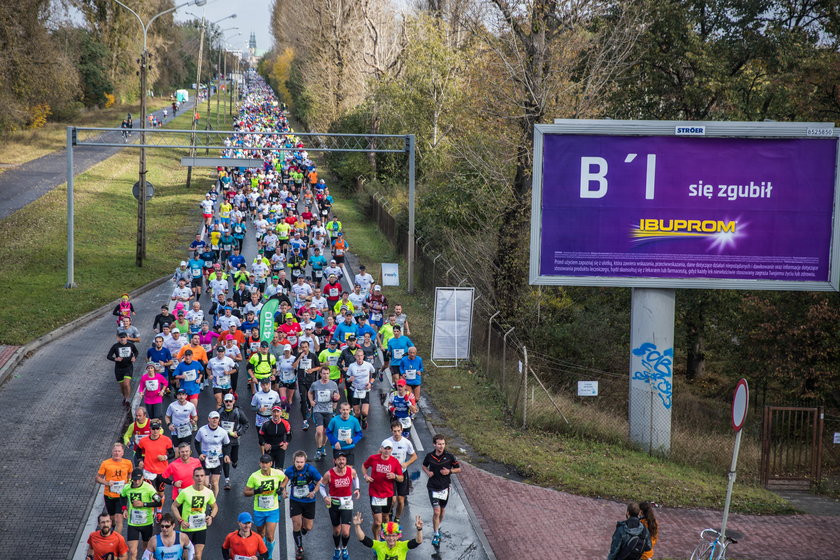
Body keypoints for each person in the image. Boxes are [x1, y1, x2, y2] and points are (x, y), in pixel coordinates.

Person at [243, 453, 288, 560]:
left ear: (271, 464)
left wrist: (281, 488)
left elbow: (286, 479)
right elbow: (245, 492)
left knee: (270, 536)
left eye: (266, 463)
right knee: (260, 534)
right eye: (262, 462)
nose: (264, 465)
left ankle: (268, 556)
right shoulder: (254, 476)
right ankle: (263, 550)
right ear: (260, 463)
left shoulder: (277, 473)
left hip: (273, 509)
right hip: (259, 509)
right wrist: (257, 491)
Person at [421, 433, 461, 547]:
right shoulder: (429, 456)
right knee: (436, 511)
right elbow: (424, 465)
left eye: (443, 444)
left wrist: (450, 471)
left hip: (444, 487)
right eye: (439, 444)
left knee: (442, 511)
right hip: (433, 487)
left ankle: (437, 525)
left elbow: (458, 469)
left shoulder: (449, 456)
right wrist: (428, 472)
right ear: (434, 444)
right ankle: (436, 533)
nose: (441, 446)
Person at [319, 451, 360, 560]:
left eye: (343, 459)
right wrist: (325, 497)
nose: (341, 461)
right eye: (339, 459)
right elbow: (322, 486)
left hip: (347, 503)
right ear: (335, 461)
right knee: (337, 531)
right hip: (334, 504)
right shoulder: (329, 474)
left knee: (346, 533)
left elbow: (356, 478)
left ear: (346, 461)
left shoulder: (351, 471)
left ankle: (345, 548)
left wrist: (357, 489)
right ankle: (337, 548)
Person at [171, 467, 218, 560]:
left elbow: (215, 507)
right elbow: (174, 506)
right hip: (187, 527)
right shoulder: (185, 492)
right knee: (186, 556)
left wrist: (211, 517)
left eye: (201, 476)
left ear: (205, 477)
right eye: (197, 476)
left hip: (200, 527)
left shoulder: (208, 492)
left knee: (198, 555)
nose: (199, 478)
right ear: (193, 477)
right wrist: (180, 520)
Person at [284, 451, 322, 560]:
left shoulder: (311, 470)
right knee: (296, 524)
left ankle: (303, 529)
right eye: (297, 462)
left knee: (308, 527)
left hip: (309, 501)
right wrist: (283, 491)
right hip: (295, 500)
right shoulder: (290, 470)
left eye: (301, 462)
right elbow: (284, 483)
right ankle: (299, 548)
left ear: (305, 461)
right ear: (294, 461)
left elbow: (320, 480)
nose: (299, 464)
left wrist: (314, 492)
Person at [362, 443, 404, 538]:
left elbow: (401, 478)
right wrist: (366, 476)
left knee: (385, 518)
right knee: (377, 522)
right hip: (375, 492)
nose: (387, 451)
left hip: (387, 493)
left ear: (391, 450)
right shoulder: (373, 458)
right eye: (385, 448)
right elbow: (364, 466)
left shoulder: (394, 461)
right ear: (381, 449)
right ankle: (376, 540)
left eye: (389, 449)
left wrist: (395, 476)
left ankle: (385, 537)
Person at [135, 419, 174, 518]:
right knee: (150, 494)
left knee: (160, 493)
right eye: (153, 429)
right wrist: (140, 460)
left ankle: (159, 511)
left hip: (161, 472)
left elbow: (172, 453)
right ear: (150, 429)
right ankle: (151, 512)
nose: (155, 431)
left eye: (157, 429)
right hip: (148, 471)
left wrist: (165, 457)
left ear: (160, 429)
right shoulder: (144, 440)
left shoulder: (166, 440)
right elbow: (138, 451)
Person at [121, 468, 161, 560]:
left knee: (146, 549)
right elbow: (122, 497)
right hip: (132, 523)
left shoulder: (149, 488)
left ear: (143, 478)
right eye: (135, 479)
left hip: (146, 523)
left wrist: (144, 504)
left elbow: (159, 502)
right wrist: (124, 509)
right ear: (131, 478)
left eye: (139, 479)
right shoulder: (127, 487)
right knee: (132, 551)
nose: (137, 481)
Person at [381, 422, 417, 524]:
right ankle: (390, 512)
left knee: (401, 501)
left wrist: (407, 463)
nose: (396, 433)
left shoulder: (406, 442)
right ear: (391, 431)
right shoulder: (387, 442)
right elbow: (379, 455)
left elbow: (414, 456)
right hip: (390, 474)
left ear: (402, 430)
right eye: (394, 431)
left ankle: (397, 518)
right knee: (392, 500)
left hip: (402, 473)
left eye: (398, 431)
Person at [352, 512, 423, 560]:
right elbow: (363, 539)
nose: (391, 538)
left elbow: (418, 541)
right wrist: (357, 525)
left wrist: (419, 529)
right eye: (388, 536)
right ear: (384, 536)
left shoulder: (403, 546)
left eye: (394, 536)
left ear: (398, 536)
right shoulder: (379, 545)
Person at [96, 442, 132, 534]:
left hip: (121, 496)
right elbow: (97, 478)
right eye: (115, 451)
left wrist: (128, 483)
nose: (117, 453)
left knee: (119, 519)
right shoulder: (105, 463)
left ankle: (115, 540)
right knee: (112, 519)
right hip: (109, 495)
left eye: (119, 451)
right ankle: (113, 529)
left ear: (122, 452)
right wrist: (107, 483)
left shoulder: (128, 463)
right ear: (112, 452)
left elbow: (130, 475)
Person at [194, 411, 231, 496]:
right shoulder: (202, 430)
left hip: (217, 458)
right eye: (213, 418)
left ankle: (213, 502)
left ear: (219, 420)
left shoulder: (222, 432)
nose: (214, 420)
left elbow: (227, 444)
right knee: (205, 483)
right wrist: (200, 454)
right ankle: (208, 494)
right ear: (209, 419)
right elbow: (196, 442)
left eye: (216, 418)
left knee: (214, 483)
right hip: (205, 458)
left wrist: (226, 455)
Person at [218, 392, 250, 491]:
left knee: (234, 458)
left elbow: (246, 424)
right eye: (226, 401)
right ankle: (227, 480)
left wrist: (239, 433)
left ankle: (235, 461)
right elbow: (214, 422)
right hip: (223, 441)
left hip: (234, 439)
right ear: (223, 402)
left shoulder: (238, 412)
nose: (228, 403)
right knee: (225, 459)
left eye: (230, 401)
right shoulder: (219, 412)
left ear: (234, 401)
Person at [308, 366, 340, 461]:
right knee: (319, 431)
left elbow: (337, 396)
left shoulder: (333, 384)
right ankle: (318, 450)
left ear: (329, 374)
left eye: (327, 373)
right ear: (320, 374)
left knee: (326, 432)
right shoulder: (315, 384)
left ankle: (322, 447)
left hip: (328, 410)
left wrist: (335, 402)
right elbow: (310, 393)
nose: (325, 375)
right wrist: (311, 401)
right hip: (318, 410)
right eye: (324, 373)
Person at [345, 349, 376, 429]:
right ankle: (358, 421)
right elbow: (347, 378)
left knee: (364, 412)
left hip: (365, 390)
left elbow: (374, 373)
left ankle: (364, 419)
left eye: (361, 356)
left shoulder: (368, 365)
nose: (359, 358)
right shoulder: (352, 366)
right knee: (357, 412)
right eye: (358, 356)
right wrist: (349, 379)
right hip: (355, 390)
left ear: (363, 356)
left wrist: (370, 383)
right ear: (355, 356)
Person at [107, 332, 138, 406]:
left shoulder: (131, 345)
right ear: (119, 338)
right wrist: (116, 359)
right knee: (122, 386)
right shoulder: (115, 346)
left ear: (127, 338)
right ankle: (124, 397)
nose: (122, 339)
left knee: (126, 383)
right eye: (121, 338)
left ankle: (128, 399)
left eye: (124, 337)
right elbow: (108, 356)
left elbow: (136, 352)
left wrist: (134, 357)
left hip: (128, 367)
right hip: (119, 368)